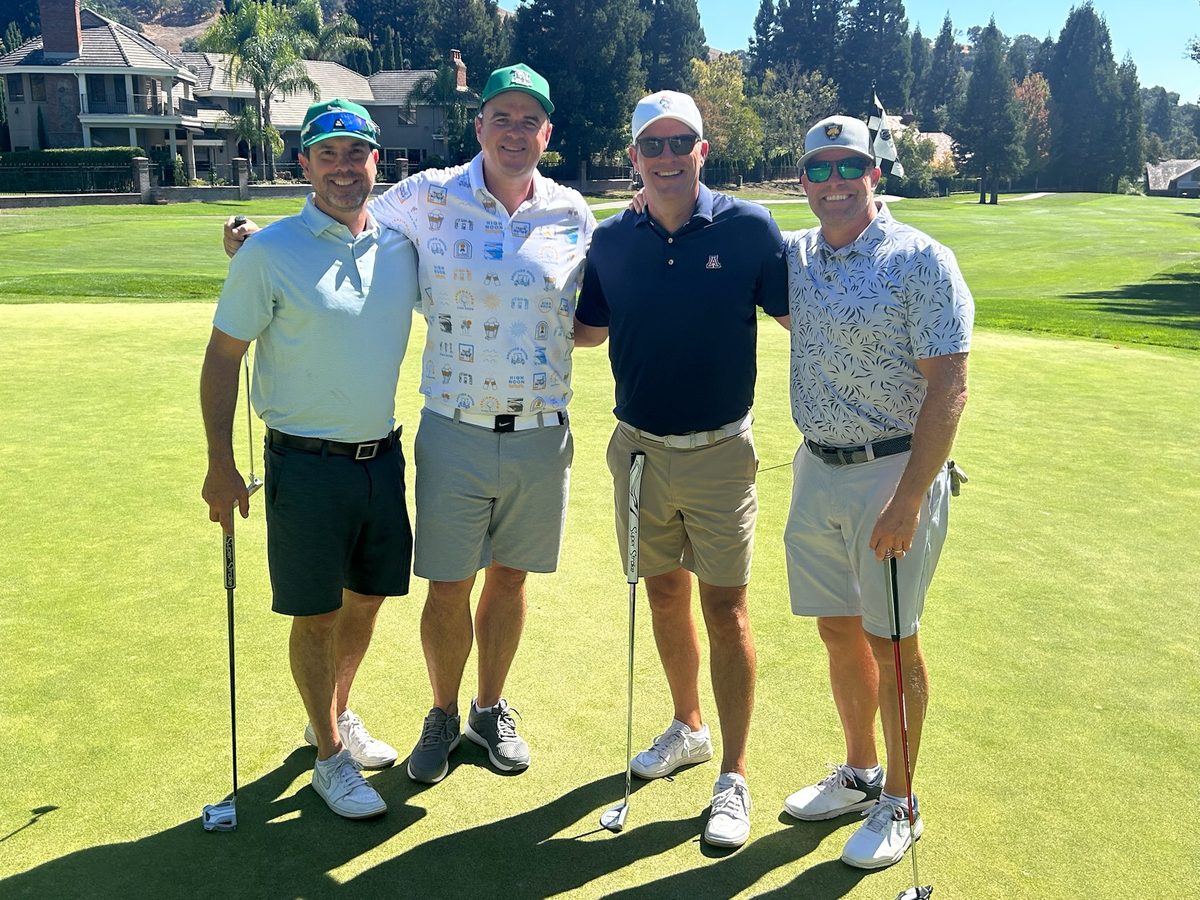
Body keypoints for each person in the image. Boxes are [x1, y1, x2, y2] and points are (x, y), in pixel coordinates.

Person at [225, 65, 595, 785]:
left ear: (546, 134)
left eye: (530, 121)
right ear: (479, 126)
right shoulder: (425, 197)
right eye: (502, 118)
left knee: (510, 583)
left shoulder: (573, 213)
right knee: (448, 585)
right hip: (453, 428)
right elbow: (339, 216)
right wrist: (259, 237)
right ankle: (444, 712)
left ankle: (490, 709)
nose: (515, 132)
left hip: (541, 433)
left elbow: (589, 317)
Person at [574, 91, 788, 849]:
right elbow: (586, 332)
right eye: (652, 146)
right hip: (635, 449)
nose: (666, 157)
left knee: (725, 610)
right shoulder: (610, 241)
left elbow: (809, 316)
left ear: (704, 150)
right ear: (633, 156)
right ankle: (687, 727)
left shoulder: (750, 229)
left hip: (721, 454)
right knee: (663, 593)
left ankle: (732, 775)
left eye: (681, 143)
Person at [201, 99, 419, 819]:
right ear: (305, 165)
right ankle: (330, 758)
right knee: (318, 615)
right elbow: (222, 358)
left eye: (356, 153)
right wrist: (219, 463)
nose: (344, 167)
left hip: (380, 457)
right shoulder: (269, 253)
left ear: (375, 162)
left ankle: (331, 713)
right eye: (327, 154)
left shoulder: (398, 246)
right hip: (304, 465)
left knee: (367, 597)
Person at [778, 115, 973, 869]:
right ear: (804, 181)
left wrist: (910, 495)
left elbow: (951, 386)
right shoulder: (795, 255)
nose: (832, 182)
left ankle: (902, 798)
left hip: (892, 473)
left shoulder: (920, 259)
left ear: (875, 174)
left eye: (847, 166)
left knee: (892, 643)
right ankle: (861, 772)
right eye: (818, 169)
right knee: (837, 629)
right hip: (815, 468)